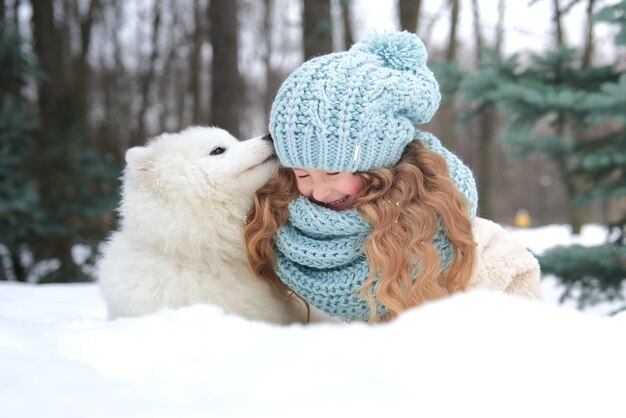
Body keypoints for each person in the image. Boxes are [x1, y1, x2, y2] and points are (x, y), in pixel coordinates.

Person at [244, 31, 541, 323]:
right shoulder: (269, 233)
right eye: (302, 174)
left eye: (333, 172)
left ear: (379, 161)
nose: (319, 192)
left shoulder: (470, 246)